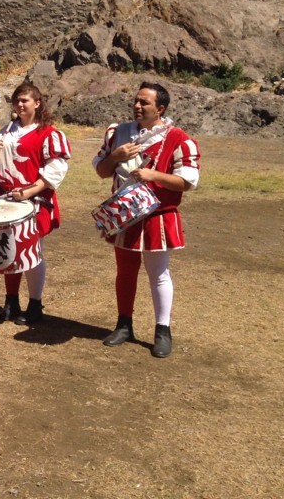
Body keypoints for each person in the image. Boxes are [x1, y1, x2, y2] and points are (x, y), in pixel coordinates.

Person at [93, 82, 201, 359]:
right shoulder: (118, 132)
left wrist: (154, 176)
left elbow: (187, 182)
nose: (138, 106)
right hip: (124, 215)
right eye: (136, 101)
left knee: (158, 273)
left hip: (158, 216)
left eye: (145, 103)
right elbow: (102, 171)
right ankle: (123, 325)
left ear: (160, 108)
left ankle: (162, 330)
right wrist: (116, 156)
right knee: (125, 272)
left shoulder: (178, 138)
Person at [0, 82, 70, 325]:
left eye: (25, 100)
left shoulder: (49, 133)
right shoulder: (2, 132)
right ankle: (11, 302)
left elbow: (55, 171)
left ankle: (35, 305)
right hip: (4, 198)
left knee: (32, 252)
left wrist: (29, 191)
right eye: (17, 100)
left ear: (37, 103)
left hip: (33, 200)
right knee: (10, 250)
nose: (20, 105)